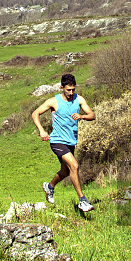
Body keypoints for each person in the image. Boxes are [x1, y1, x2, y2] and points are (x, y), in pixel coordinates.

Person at [32, 73, 96, 212]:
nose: (71, 93)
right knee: (74, 165)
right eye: (68, 90)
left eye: (73, 89)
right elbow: (35, 113)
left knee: (66, 171)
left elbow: (92, 115)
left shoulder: (79, 99)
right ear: (62, 88)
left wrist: (82, 116)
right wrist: (42, 131)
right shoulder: (53, 101)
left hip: (71, 142)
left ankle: (49, 186)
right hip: (57, 141)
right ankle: (82, 200)